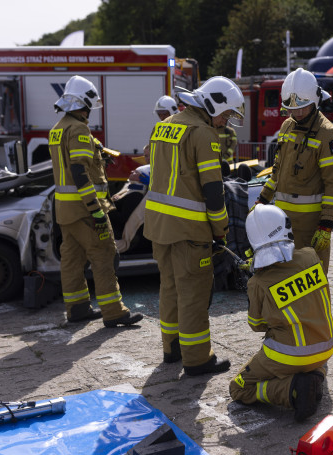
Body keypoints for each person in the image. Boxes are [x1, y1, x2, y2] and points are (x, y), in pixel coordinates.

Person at [144, 76, 244, 376]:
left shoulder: (165, 126)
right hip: (189, 229)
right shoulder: (203, 134)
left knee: (170, 287)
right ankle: (198, 358)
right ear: (212, 103)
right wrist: (221, 229)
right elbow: (213, 190)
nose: (225, 121)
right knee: (194, 294)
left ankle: (171, 348)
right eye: (225, 114)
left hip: (159, 227)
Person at [49, 75, 143, 327]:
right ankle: (114, 312)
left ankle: (77, 308)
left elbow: (70, 166)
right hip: (85, 210)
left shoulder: (58, 128)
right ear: (84, 103)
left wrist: (98, 154)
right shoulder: (78, 128)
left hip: (65, 211)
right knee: (103, 254)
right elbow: (79, 172)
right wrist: (96, 210)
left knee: (72, 258)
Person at [229, 204, 333, 422]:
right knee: (310, 359)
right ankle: (315, 374)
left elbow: (256, 325)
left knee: (238, 388)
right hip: (327, 346)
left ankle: (292, 390)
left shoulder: (258, 282)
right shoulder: (310, 257)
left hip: (286, 354)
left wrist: (256, 283)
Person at [256, 68, 333, 274]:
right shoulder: (287, 126)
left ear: (315, 100)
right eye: (292, 109)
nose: (297, 113)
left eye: (303, 107)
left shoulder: (327, 133)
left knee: (311, 277)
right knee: (283, 275)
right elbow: (277, 171)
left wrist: (326, 224)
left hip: (310, 224)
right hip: (281, 222)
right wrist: (262, 200)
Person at [109, 146, 150, 254]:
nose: (132, 171)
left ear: (143, 177)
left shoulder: (135, 195)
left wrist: (105, 209)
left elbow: (121, 219)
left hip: (117, 234)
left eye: (137, 173)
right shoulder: (131, 190)